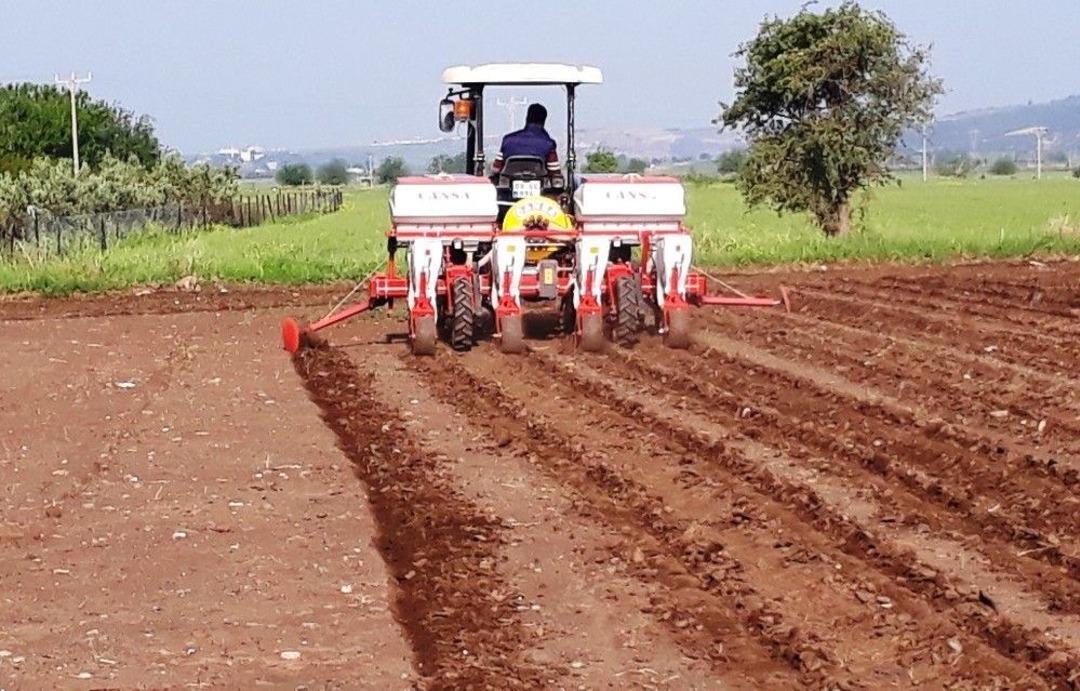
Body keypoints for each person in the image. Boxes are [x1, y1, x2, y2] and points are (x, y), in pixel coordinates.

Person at [492, 103, 560, 175]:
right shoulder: (549, 144)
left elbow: (496, 168)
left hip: (509, 182)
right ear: (544, 121)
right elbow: (554, 172)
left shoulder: (507, 140)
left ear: (527, 118)